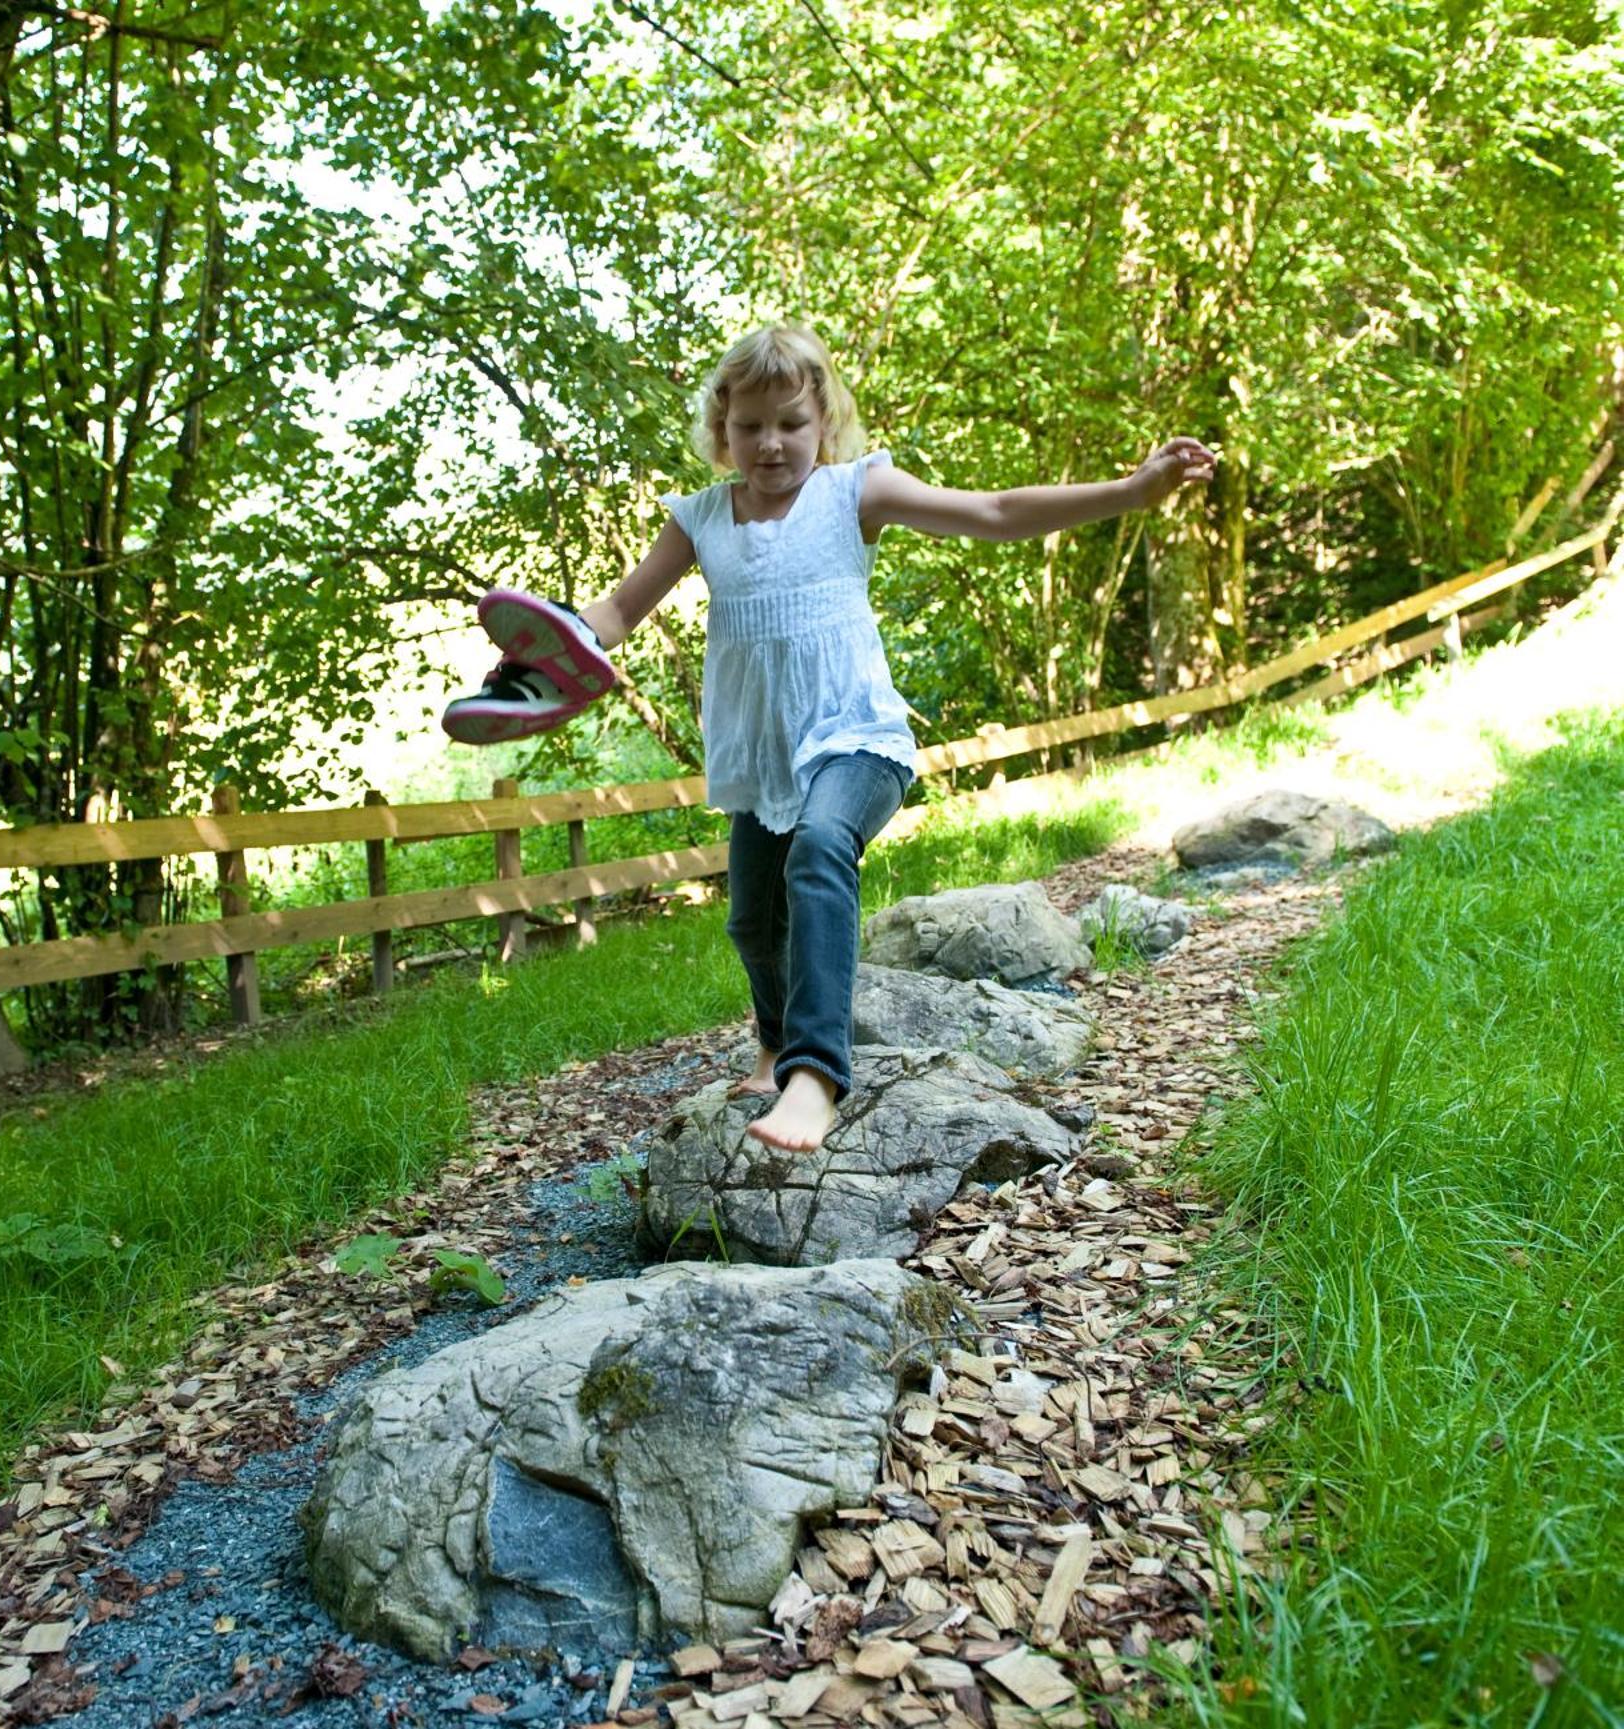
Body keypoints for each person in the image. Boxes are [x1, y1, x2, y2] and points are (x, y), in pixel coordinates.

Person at [445, 322, 1216, 1151]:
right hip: (765, 758)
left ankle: (813, 1074)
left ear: (825, 422)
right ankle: (774, 1041)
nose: (771, 444)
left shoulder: (856, 492)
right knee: (752, 920)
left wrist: (1132, 491)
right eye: (750, 426)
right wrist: (553, 645)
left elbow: (992, 512)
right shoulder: (701, 518)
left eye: (791, 423)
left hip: (859, 742)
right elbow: (617, 614)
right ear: (721, 429)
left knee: (819, 850)